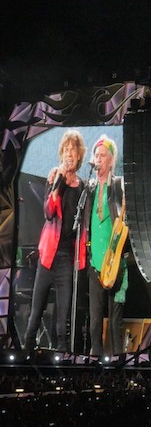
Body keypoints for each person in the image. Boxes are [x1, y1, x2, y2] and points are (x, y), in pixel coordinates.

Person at [22, 130, 88, 355]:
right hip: (48, 254)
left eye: (73, 150)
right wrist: (57, 184)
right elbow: (49, 212)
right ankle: (26, 351)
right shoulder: (53, 179)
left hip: (68, 257)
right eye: (66, 150)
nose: (69, 154)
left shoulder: (83, 187)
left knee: (63, 314)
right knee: (36, 308)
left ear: (79, 155)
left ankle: (63, 355)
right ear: (61, 153)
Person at [85, 136, 129, 360]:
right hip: (95, 262)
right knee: (94, 320)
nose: (98, 159)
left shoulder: (119, 185)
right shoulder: (90, 188)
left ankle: (118, 363)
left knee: (114, 320)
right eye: (96, 155)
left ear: (111, 161)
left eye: (103, 156)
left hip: (115, 263)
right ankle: (95, 362)